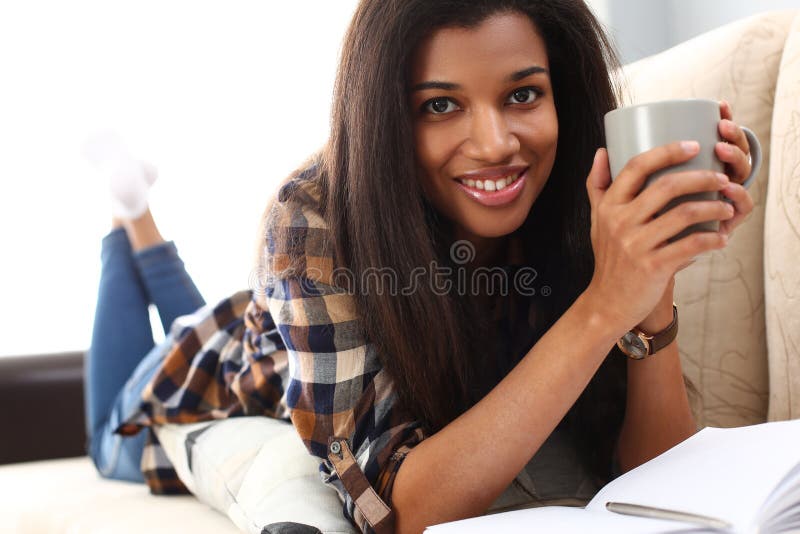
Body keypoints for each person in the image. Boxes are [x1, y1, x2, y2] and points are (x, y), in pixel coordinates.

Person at [84, 1, 757, 533]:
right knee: (108, 418)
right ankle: (128, 216)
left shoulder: (581, 192)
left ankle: (137, 213)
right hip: (202, 379)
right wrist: (605, 305)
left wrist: (649, 281)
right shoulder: (310, 215)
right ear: (384, 119)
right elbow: (402, 517)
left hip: (258, 313)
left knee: (194, 307)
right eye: (440, 105)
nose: (497, 144)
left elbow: (661, 479)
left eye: (523, 94)